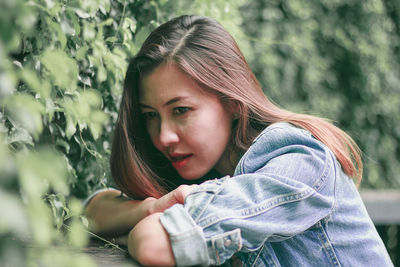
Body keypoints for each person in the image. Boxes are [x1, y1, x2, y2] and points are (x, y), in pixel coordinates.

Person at [85, 15, 393, 266]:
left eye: (181, 110)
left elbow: (153, 245)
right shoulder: (202, 172)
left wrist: (140, 228)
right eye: (151, 115)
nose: (164, 136)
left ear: (232, 103)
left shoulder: (299, 162)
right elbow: (90, 212)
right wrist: (151, 207)